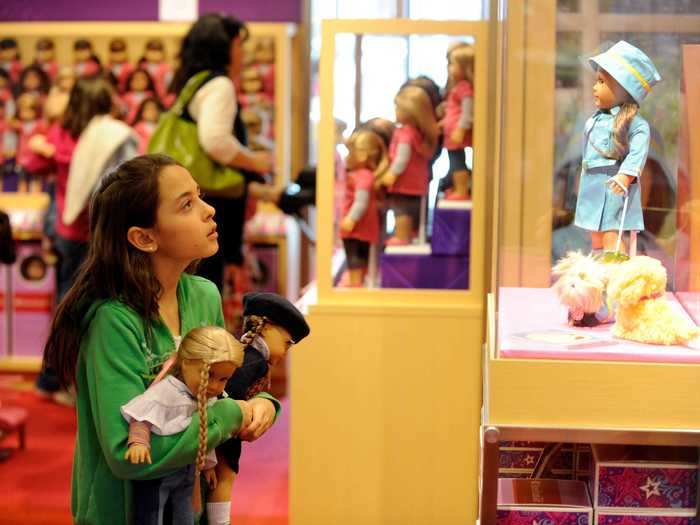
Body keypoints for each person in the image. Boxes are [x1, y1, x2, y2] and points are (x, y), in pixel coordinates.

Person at [42, 154, 280, 524]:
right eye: (186, 204)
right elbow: (127, 453)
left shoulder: (204, 295)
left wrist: (262, 404)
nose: (209, 211)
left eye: (199, 196)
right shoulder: (113, 321)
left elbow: (223, 385)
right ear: (144, 237)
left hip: (191, 503)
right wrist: (231, 415)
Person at [28, 76, 138, 401]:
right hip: (88, 233)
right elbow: (37, 163)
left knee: (72, 305)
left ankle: (56, 378)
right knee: (80, 309)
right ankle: (59, 379)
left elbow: (39, 162)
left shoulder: (66, 134)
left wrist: (47, 146)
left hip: (71, 230)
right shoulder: (95, 136)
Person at [169, 14, 279, 292]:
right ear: (224, 47)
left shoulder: (193, 82)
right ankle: (206, 337)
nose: (243, 53)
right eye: (239, 45)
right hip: (212, 200)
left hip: (191, 199)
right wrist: (254, 160)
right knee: (207, 280)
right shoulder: (219, 85)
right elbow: (215, 140)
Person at [122, 326, 251, 524]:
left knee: (186, 515)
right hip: (159, 473)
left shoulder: (208, 398)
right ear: (185, 364)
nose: (216, 386)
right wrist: (139, 441)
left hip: (188, 473)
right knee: (151, 514)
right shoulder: (167, 392)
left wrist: (207, 466)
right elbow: (142, 415)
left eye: (224, 379)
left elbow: (204, 435)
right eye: (208, 375)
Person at [210, 291, 310, 525]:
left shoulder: (248, 356)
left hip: (224, 430)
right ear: (266, 328)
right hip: (224, 433)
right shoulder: (252, 361)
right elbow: (229, 392)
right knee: (226, 476)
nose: (286, 352)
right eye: (287, 343)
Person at [573, 40, 661, 253]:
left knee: (613, 234)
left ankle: (614, 275)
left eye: (602, 82)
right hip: (592, 186)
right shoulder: (594, 120)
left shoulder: (635, 125)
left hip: (615, 187)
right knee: (594, 234)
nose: (595, 87)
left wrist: (625, 176)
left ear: (624, 89)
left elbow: (636, 155)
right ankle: (596, 274)